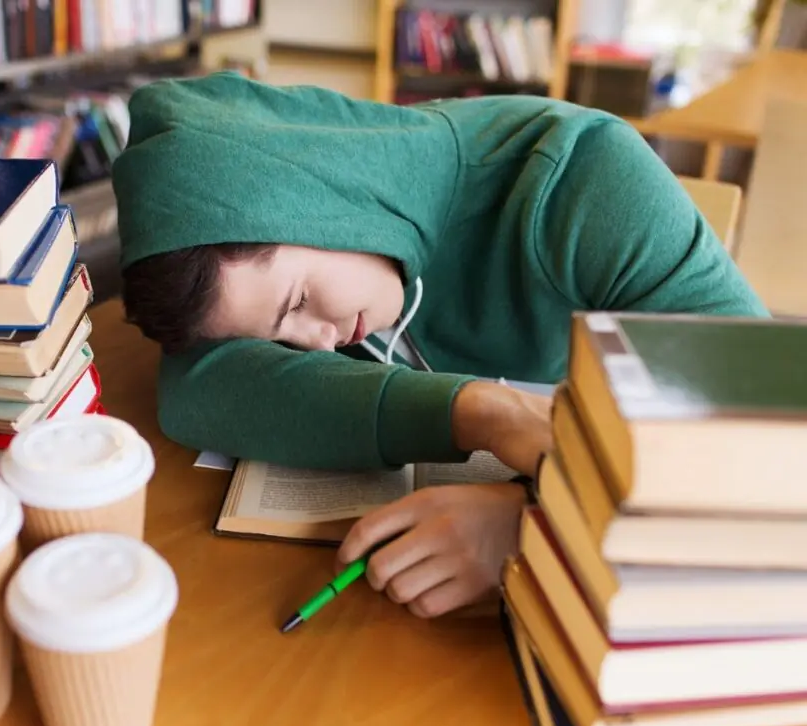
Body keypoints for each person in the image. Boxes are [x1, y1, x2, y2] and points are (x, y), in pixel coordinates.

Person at [111, 71, 768, 620]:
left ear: (316, 198)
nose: (309, 344)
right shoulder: (321, 254)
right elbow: (194, 389)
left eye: (299, 303)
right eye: (278, 337)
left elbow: (770, 432)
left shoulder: (587, 177)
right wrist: (477, 411)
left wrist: (534, 525)